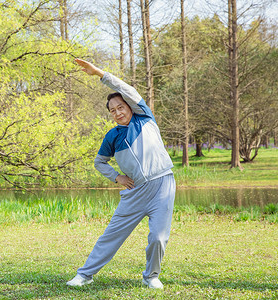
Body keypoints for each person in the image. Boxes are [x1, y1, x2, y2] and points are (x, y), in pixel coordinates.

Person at [66, 58, 176, 289]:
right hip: (135, 192)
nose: (117, 112)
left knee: (158, 237)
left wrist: (99, 74)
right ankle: (85, 274)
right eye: (113, 111)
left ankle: (151, 276)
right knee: (111, 236)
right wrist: (117, 177)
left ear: (129, 107)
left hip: (163, 185)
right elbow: (100, 162)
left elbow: (128, 90)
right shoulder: (112, 136)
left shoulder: (145, 118)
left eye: (121, 107)